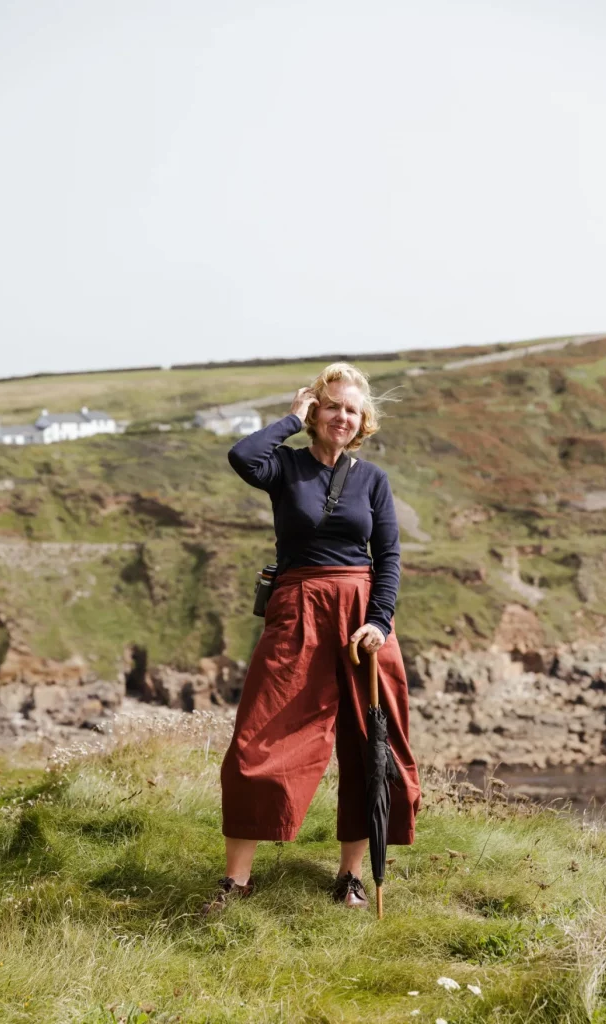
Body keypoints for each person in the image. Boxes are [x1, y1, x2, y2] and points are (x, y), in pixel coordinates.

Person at [202, 362, 421, 914]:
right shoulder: (283, 467)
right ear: (316, 412)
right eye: (332, 406)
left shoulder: (373, 481)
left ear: (363, 419)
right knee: (260, 738)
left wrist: (380, 620)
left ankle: (348, 878)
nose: (341, 417)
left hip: (361, 620)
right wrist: (291, 416)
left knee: (371, 744)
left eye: (352, 409)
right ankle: (236, 882)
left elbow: (389, 558)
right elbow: (241, 456)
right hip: (298, 609)